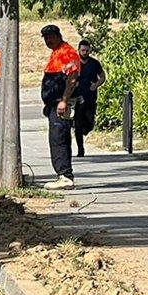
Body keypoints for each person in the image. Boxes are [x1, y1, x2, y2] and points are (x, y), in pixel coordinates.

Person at [40, 25, 81, 190]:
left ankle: (65, 175)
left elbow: (72, 79)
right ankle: (64, 175)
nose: (47, 41)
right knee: (58, 138)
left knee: (58, 139)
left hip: (61, 104)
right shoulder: (56, 53)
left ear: (58, 36)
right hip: (53, 104)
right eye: (45, 38)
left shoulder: (68, 53)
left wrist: (64, 101)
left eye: (50, 37)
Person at [74, 39, 106, 158]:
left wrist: (96, 85)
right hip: (77, 98)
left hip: (90, 98)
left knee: (90, 123)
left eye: (87, 50)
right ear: (79, 50)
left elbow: (102, 77)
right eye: (83, 50)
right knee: (78, 125)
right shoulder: (75, 63)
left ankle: (86, 129)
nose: (85, 52)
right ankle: (80, 149)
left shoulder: (94, 63)